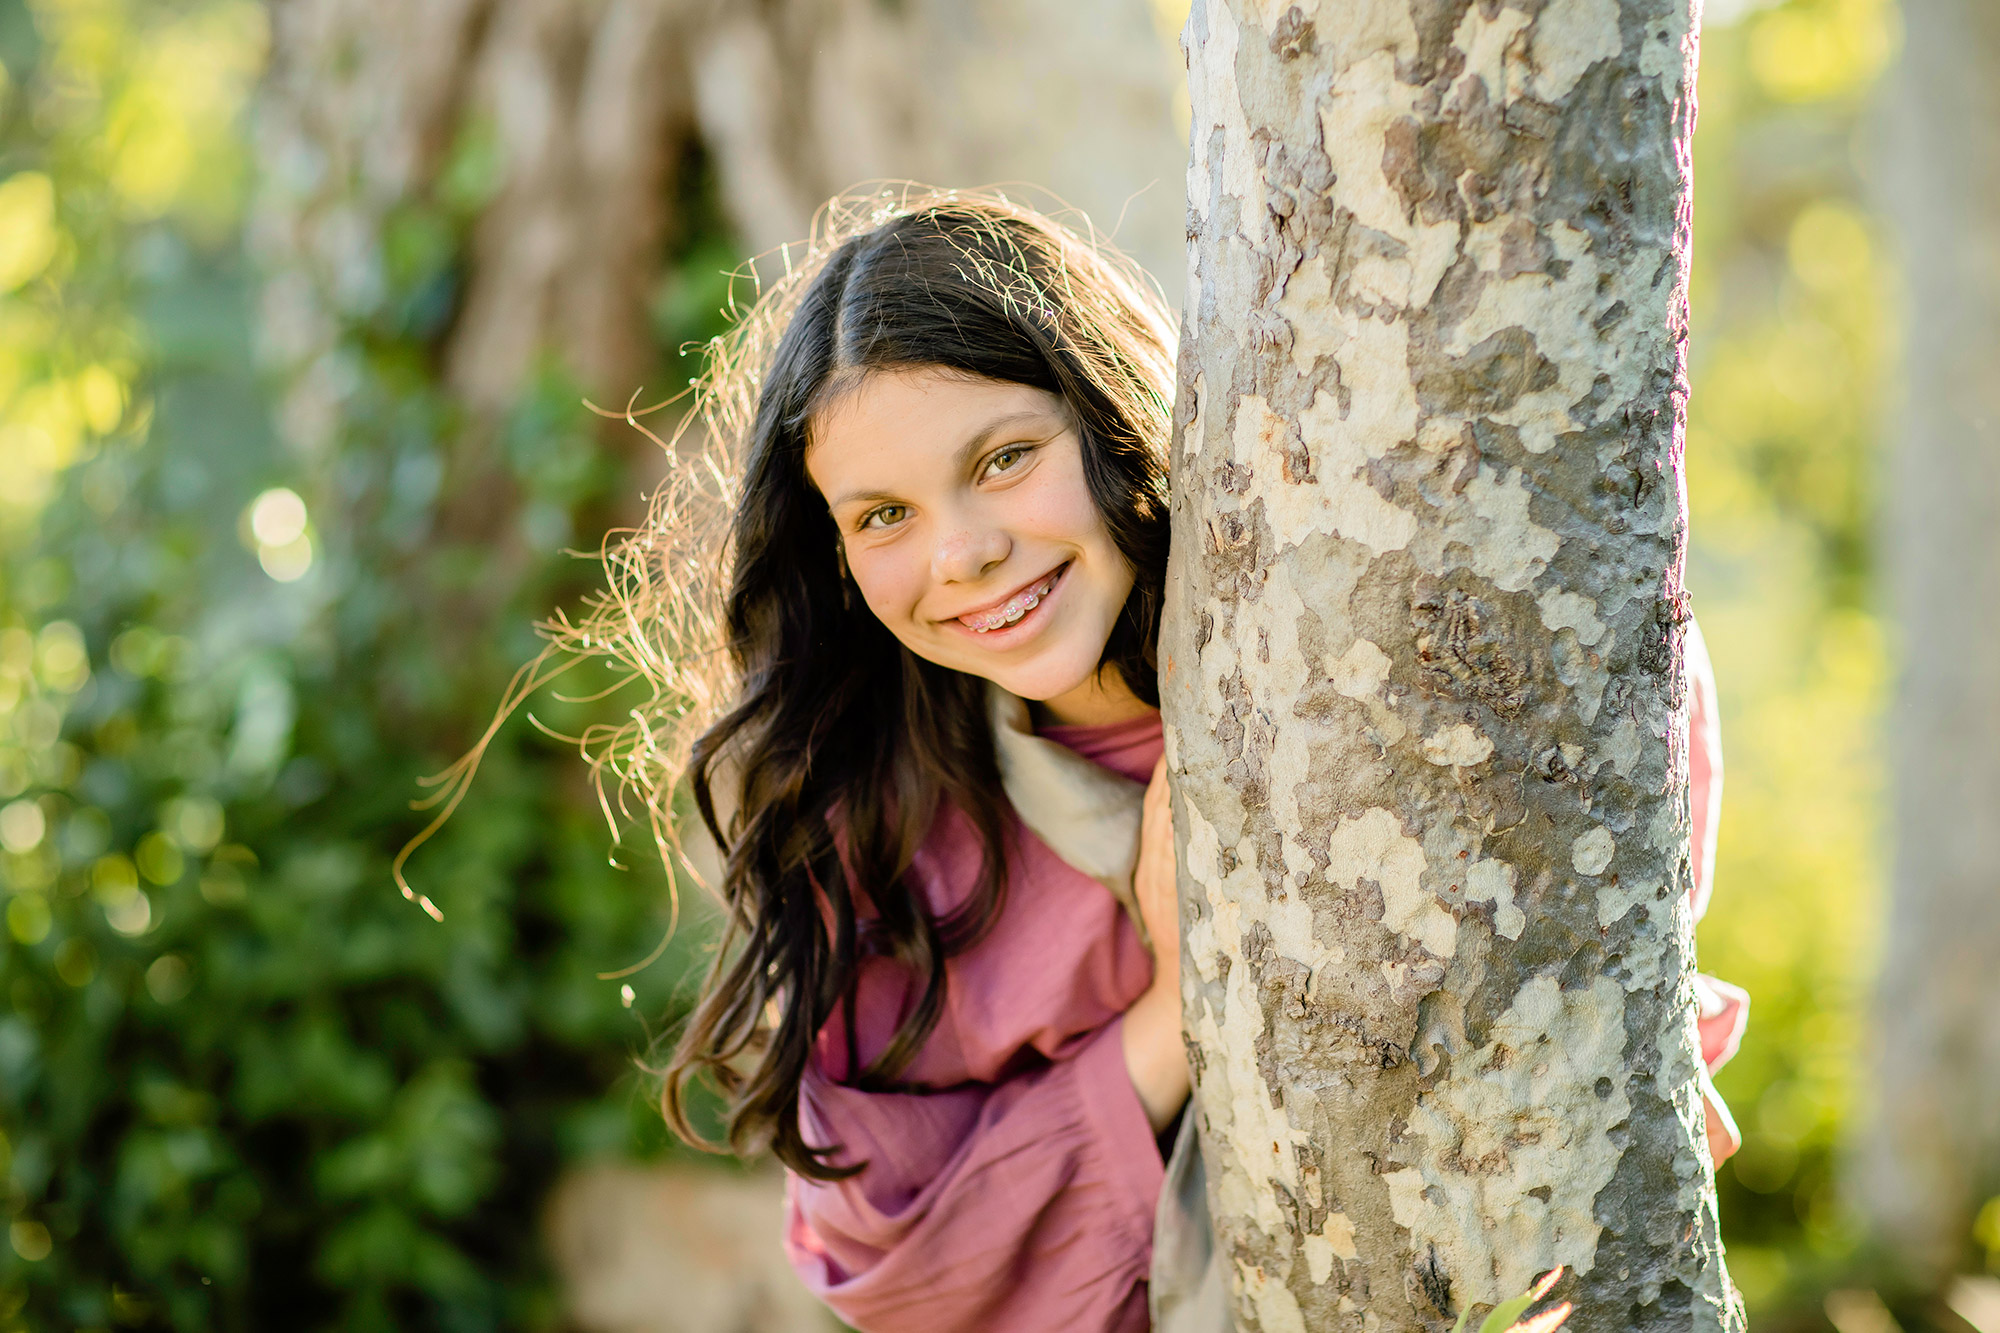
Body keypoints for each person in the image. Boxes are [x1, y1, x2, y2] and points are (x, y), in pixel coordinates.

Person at [551, 189, 1746, 1332]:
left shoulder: (1363, 647)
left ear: (1110, 409)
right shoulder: (876, 819)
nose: (960, 554)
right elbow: (890, 1262)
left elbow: (1612, 772)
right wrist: (1182, 1006)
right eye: (882, 516)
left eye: (1003, 458)